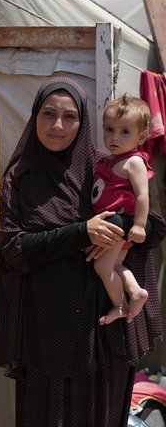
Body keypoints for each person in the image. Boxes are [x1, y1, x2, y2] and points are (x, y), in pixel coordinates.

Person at [0, 76, 166, 426]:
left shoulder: (108, 165)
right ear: (34, 116)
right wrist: (82, 231)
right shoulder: (21, 177)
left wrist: (117, 225)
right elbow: (13, 249)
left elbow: (153, 230)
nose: (58, 125)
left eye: (70, 116)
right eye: (48, 113)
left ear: (84, 120)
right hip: (45, 333)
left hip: (101, 333)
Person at [92, 94, 154, 325]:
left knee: (102, 265)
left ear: (142, 136)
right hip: (113, 225)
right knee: (116, 264)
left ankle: (119, 306)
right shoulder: (111, 159)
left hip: (121, 224)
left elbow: (142, 194)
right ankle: (135, 291)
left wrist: (139, 224)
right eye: (109, 129)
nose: (114, 137)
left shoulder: (134, 161)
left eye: (124, 132)